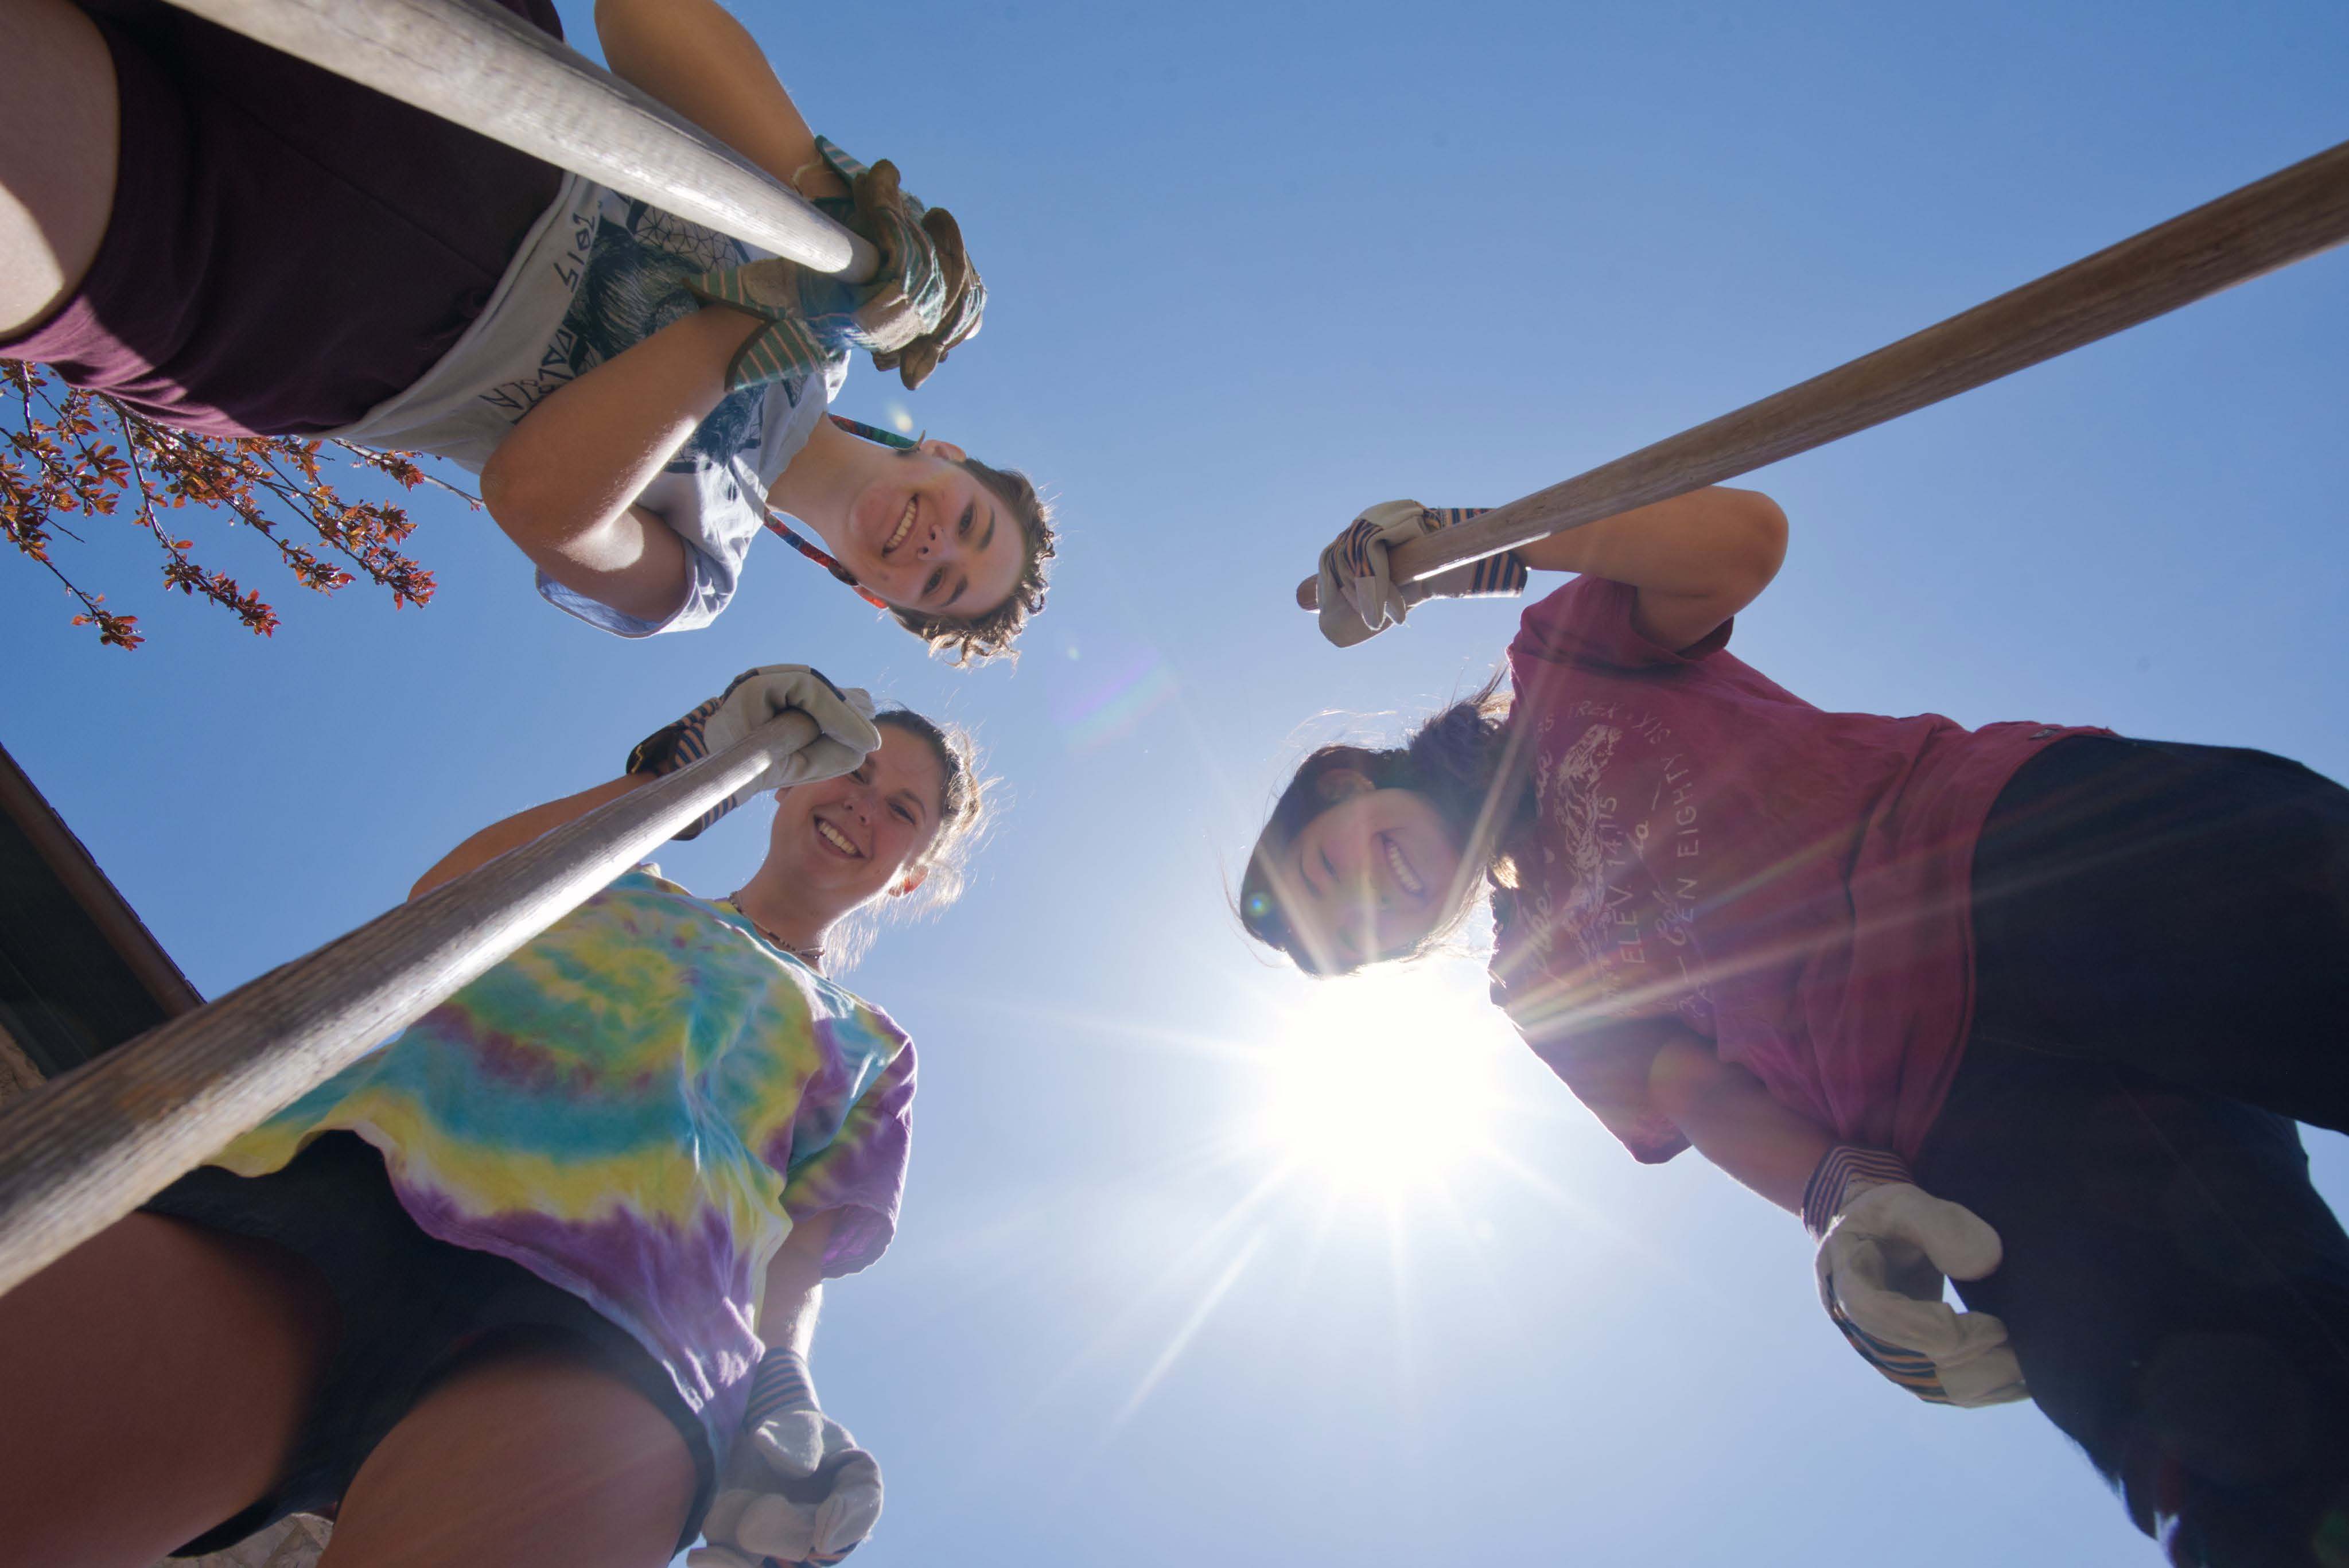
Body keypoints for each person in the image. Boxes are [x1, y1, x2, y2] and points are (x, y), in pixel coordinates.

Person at [1241, 490, 2349, 1567]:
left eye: (1327, 869)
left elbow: (1741, 543)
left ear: (1344, 780)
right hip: (1968, 1128)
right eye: (1355, 937)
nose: (1368, 902)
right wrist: (1842, 1199)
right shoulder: (1532, 979)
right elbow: (1690, 1091)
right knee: (2240, 1454)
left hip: (2028, 856)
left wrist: (1488, 538)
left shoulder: (1561, 661)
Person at [0, 663, 993, 1568]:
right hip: (341, 1178)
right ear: (793, 779)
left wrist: (781, 1390)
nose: (863, 805)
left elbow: (798, 1257)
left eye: (901, 809)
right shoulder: (616, 870)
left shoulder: (873, 1044)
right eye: (855, 771)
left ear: (910, 871)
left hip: (631, 1327)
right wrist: (689, 771)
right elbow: (443, 898)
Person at [0, 0, 1053, 661]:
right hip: (471, 83)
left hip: (301, 308)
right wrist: (828, 196)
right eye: (969, 522)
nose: (933, 545)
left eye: (939, 584)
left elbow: (537, 498)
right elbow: (640, 18)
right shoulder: (848, 280)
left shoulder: (699, 580)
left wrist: (746, 322)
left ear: (875, 598)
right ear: (944, 452)